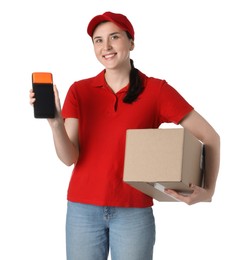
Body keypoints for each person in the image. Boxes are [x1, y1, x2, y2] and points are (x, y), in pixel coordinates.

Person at [29, 11, 220, 260]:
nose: (106, 47)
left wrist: (208, 191)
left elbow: (211, 137)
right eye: (98, 40)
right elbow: (69, 158)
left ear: (131, 42)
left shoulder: (157, 90)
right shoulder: (80, 91)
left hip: (134, 211)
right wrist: (55, 123)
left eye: (114, 37)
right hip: (82, 210)